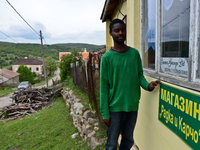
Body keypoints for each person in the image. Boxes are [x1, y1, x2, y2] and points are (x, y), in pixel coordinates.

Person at [100, 18, 161, 150]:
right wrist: (105, 113)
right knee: (111, 144)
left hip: (132, 106)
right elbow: (104, 87)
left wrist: (148, 86)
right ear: (111, 33)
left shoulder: (134, 54)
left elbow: (139, 75)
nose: (120, 33)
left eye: (122, 30)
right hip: (114, 108)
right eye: (116, 31)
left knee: (127, 141)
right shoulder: (106, 58)